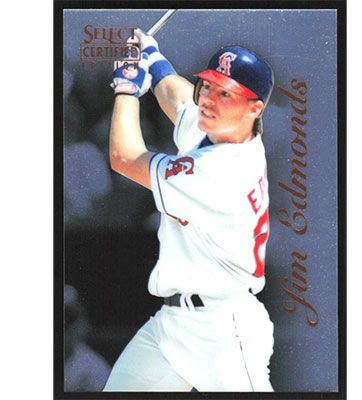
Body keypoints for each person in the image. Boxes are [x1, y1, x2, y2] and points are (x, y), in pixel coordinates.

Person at [103, 29, 275, 392]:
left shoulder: (223, 169)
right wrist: (154, 58)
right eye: (208, 86)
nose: (208, 100)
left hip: (223, 331)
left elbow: (124, 158)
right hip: (170, 326)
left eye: (225, 93)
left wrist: (127, 90)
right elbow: (181, 100)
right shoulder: (227, 131)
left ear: (254, 108)